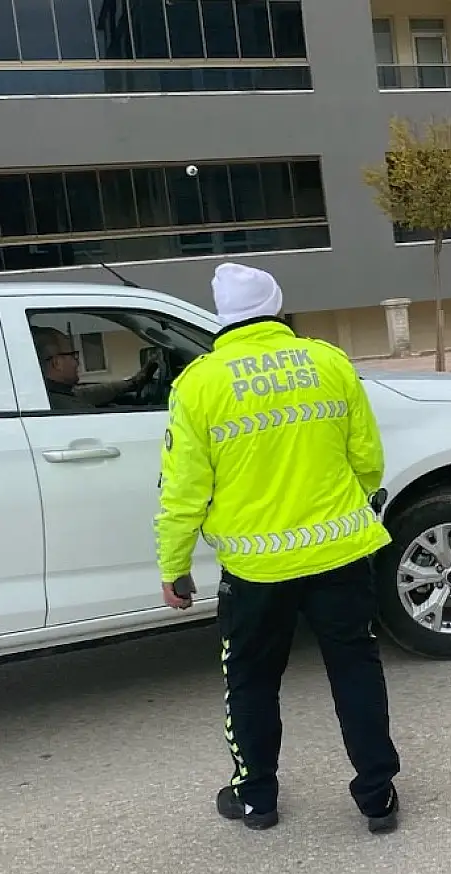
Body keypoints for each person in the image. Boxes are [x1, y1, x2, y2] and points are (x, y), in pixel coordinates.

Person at [154, 262, 402, 835]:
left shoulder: (199, 384)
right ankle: (377, 797)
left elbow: (183, 491)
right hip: (341, 554)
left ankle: (256, 798)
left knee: (251, 681)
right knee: (356, 671)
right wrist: (347, 508)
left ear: (222, 317)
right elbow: (367, 458)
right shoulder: (328, 361)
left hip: (255, 569)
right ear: (277, 306)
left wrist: (175, 566)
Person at [31, 325, 156, 412]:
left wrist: (133, 383)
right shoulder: (69, 407)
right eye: (73, 355)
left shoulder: (51, 394)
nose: (77, 362)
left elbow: (88, 393)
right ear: (57, 363)